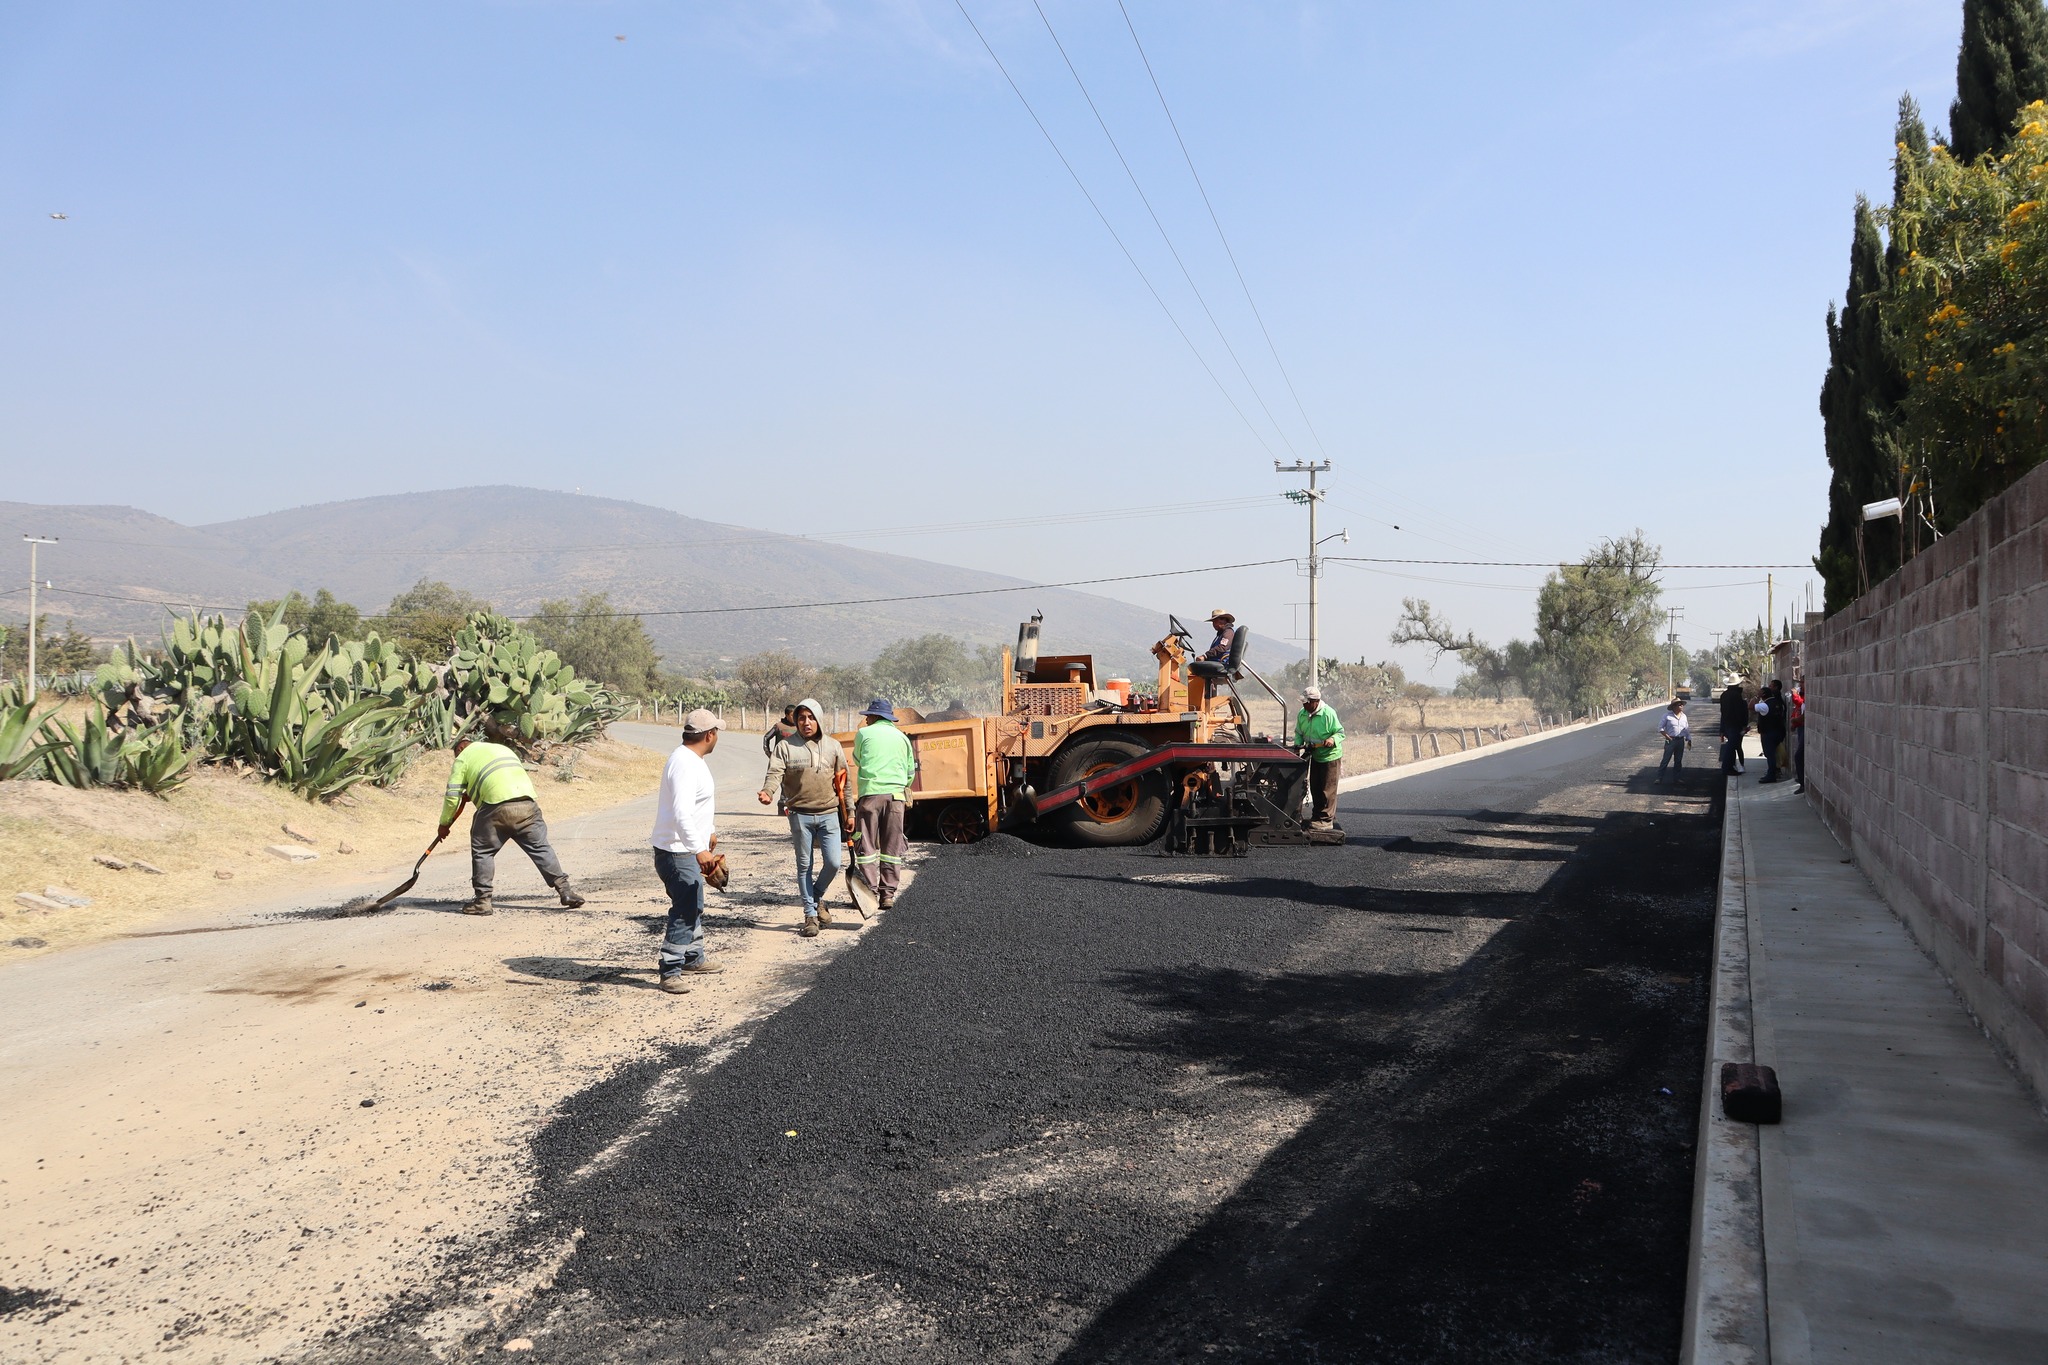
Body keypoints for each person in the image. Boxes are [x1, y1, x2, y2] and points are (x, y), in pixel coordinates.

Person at [439, 734, 584, 916]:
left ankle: (482, 901)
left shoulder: (462, 758)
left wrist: (444, 823)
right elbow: (500, 778)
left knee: (483, 852)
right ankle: (566, 892)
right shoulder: (502, 749)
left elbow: (452, 796)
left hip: (496, 808)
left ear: (460, 749)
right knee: (541, 848)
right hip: (527, 804)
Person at [757, 697, 849, 938]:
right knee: (804, 866)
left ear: (818, 719)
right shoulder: (785, 747)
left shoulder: (833, 746)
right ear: (795, 720)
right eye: (801, 718)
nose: (806, 722)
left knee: (834, 863)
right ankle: (810, 915)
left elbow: (844, 783)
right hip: (800, 815)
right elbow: (775, 772)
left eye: (810, 717)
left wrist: (850, 813)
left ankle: (816, 897)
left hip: (829, 813)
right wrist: (768, 791)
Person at [651, 709, 727, 994]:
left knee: (694, 903)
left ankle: (693, 958)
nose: (717, 736)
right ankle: (670, 970)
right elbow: (682, 813)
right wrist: (699, 850)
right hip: (677, 851)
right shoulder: (684, 763)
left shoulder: (693, 760)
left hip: (685, 847)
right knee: (685, 910)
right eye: (716, 732)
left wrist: (709, 829)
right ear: (709, 735)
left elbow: (696, 806)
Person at [851, 698, 916, 910]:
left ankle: (869, 892)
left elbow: (858, 759)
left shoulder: (864, 734)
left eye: (868, 715)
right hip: (897, 798)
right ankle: (887, 895)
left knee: (867, 845)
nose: (866, 719)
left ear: (876, 716)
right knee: (891, 847)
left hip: (870, 796)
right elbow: (910, 772)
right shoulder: (902, 737)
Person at [1293, 684, 1345, 826]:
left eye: (1307, 703)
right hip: (1315, 755)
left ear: (1315, 702)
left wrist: (1332, 739)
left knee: (1327, 789)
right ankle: (1317, 817)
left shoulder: (1328, 713)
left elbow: (1340, 733)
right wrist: (1298, 745)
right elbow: (1299, 732)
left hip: (1330, 757)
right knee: (1315, 787)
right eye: (1303, 702)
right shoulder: (1302, 713)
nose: (1305, 705)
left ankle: (1326, 820)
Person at [1755, 680, 1788, 784]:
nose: (1770, 687)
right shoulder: (1778, 702)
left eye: (1771, 686)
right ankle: (1773, 772)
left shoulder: (1767, 704)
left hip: (1769, 732)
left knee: (1770, 754)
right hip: (1777, 731)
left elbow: (1751, 706)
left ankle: (1772, 774)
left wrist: (1756, 697)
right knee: (1773, 753)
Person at [1718, 682, 1750, 776]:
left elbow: (1723, 713)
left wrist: (1722, 729)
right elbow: (1740, 712)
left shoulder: (1724, 695)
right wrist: (1744, 725)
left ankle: (1731, 766)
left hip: (1727, 724)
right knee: (1732, 747)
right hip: (1735, 725)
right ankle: (1727, 767)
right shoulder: (1737, 696)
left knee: (1732, 746)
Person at [1656, 698, 1691, 781]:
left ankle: (1677, 778)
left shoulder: (1684, 716)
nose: (1681, 706)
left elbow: (1686, 729)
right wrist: (1667, 737)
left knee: (1678, 760)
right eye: (1679, 704)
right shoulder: (1667, 716)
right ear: (1674, 706)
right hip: (1669, 740)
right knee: (1666, 759)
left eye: (1682, 704)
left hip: (1680, 740)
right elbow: (1660, 728)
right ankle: (1659, 777)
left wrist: (1689, 739)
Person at [1790, 681, 1807, 793]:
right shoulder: (1802, 695)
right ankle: (1801, 779)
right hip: (1800, 727)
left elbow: (1801, 707)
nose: (1800, 686)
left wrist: (1795, 695)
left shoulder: (1803, 697)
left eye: (1802, 683)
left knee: (1799, 756)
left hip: (1804, 727)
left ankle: (1802, 783)